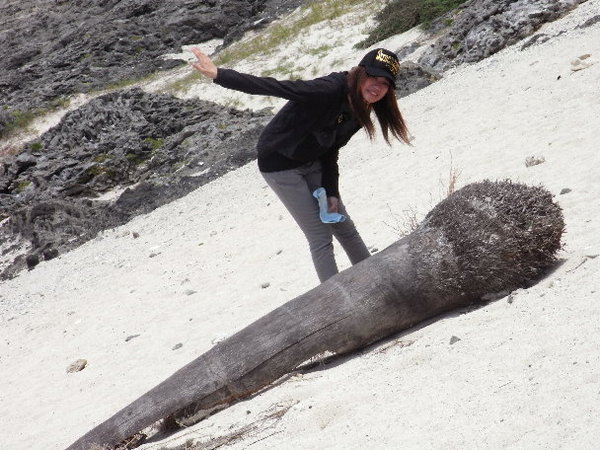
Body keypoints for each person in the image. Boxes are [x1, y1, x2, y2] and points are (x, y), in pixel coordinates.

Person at [190, 47, 410, 282]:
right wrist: (219, 75)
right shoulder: (328, 89)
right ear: (359, 72)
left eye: (385, 84)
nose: (377, 87)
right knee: (320, 235)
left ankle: (378, 282)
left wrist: (331, 194)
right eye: (373, 78)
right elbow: (276, 87)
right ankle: (336, 300)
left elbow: (330, 150)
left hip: (312, 159)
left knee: (344, 226)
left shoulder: (361, 108)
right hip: (279, 164)